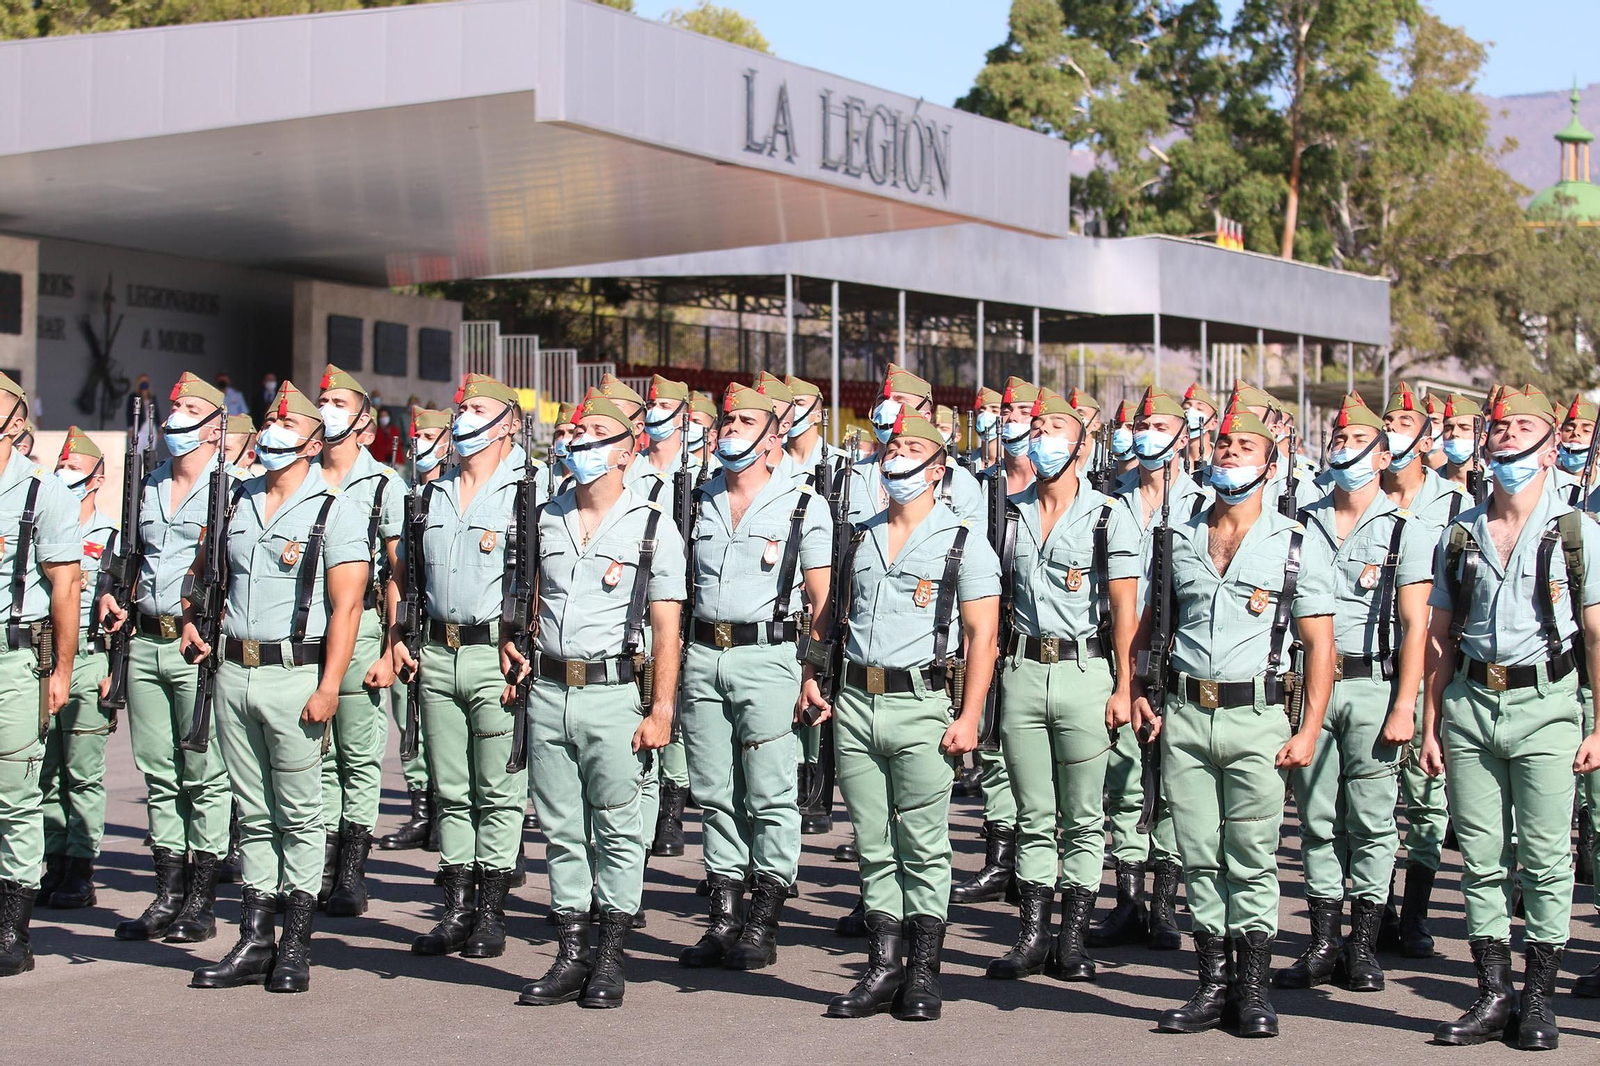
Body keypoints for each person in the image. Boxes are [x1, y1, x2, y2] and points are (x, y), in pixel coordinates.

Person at [1132, 401, 1336, 1038]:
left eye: (1245, 447)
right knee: (1198, 856)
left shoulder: (1296, 544)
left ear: (1270, 465)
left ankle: (1252, 990)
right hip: (1188, 715)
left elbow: (1320, 645)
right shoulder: (1182, 537)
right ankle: (1211, 983)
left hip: (1257, 716)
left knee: (1250, 857)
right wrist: (1140, 685)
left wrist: (1307, 731)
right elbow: (1151, 622)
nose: (1229, 454)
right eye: (1222, 445)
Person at [799, 408, 1000, 1022]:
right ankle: (882, 965)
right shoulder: (856, 533)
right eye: (893, 447)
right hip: (857, 702)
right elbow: (830, 615)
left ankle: (923, 971)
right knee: (873, 842)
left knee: (922, 842)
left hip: (921, 704)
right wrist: (812, 675)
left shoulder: (965, 539)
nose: (896, 457)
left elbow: (981, 637)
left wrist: (970, 717)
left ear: (938, 468)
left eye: (913, 448)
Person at [1420, 384, 1600, 1050]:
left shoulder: (1578, 532)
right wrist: (1432, 719)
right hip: (1470, 704)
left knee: (1549, 859)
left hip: (1548, 704)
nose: (1506, 437)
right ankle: (1493, 994)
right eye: (1498, 428)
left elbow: (1596, 632)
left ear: (1552, 447)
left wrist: (1598, 723)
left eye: (1523, 426)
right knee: (1482, 861)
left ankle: (1539, 1000)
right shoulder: (1462, 531)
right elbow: (1440, 633)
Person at [183, 381, 367, 993]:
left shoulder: (332, 509)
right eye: (267, 423)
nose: (271, 434)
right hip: (234, 671)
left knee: (299, 813)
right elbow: (205, 573)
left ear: (314, 444)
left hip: (296, 676)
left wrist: (331, 685)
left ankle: (295, 944)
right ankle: (254, 937)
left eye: (287, 427)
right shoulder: (234, 500)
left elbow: (346, 608)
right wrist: (191, 615)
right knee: (254, 812)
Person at [511, 387, 684, 1009]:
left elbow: (668, 627)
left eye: (592, 439)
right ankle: (569, 951)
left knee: (615, 827)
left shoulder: (652, 527)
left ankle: (609, 957)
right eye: (572, 437)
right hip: (550, 688)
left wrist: (662, 708)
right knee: (560, 829)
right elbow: (533, 597)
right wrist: (517, 646)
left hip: (614, 695)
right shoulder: (546, 516)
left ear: (625, 451)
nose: (577, 446)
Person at [1273, 394, 1433, 995]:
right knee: (1316, 818)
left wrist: (1403, 705)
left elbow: (1417, 624)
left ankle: (1362, 944)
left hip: (1370, 684)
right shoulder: (1301, 519)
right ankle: (1321, 941)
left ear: (1383, 454)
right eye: (1336, 442)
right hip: (1309, 684)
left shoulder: (1403, 529)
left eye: (1354, 443)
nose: (1341, 452)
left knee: (1370, 820)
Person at [982, 386, 1139, 984]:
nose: (1043, 438)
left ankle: (1072, 937)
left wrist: (1125, 686)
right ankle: (1031, 934)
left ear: (1083, 444)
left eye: (1056, 429)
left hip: (1084, 670)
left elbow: (1125, 610)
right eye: (1037, 426)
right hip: (1022, 670)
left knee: (1081, 812)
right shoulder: (1009, 510)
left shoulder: (1108, 514)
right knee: (1032, 809)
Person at [676, 383, 831, 971]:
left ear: (772, 440)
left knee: (769, 790)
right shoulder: (698, 497)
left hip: (771, 657)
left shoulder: (803, 504)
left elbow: (820, 598)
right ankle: (723, 916)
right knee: (714, 790)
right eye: (728, 420)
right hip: (703, 654)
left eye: (746, 422)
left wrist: (813, 671)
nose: (731, 430)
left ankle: (763, 918)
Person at [389, 373, 544, 961]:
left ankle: (491, 911)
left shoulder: (530, 489)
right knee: (452, 789)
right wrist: (402, 636)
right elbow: (409, 578)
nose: (462, 417)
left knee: (498, 791)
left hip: (494, 654)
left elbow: (543, 576)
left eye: (477, 408)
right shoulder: (432, 493)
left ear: (508, 422)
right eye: (461, 408)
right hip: (438, 651)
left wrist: (528, 641)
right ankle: (455, 907)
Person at [100, 373, 235, 946]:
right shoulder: (149, 484)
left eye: (188, 408)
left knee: (201, 774)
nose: (176, 416)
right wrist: (110, 586)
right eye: (173, 407)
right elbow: (122, 552)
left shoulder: (233, 489)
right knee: (158, 773)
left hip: (194, 644)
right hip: (146, 640)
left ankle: (201, 901)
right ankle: (168, 892)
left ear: (214, 425)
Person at [1096, 388, 1204, 952]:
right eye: (1142, 425)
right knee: (1123, 778)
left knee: (1168, 776)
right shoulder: (1111, 500)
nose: (1148, 435)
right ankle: (1128, 899)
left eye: (1161, 426)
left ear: (1184, 435)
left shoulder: (1203, 503)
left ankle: (1164, 903)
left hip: (1171, 655)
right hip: (1120, 654)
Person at [311, 365, 407, 917]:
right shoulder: (300, 475)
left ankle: (350, 871)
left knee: (357, 753)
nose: (328, 409)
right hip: (308, 631)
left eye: (339, 402)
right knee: (315, 750)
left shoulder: (382, 485)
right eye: (322, 399)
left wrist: (390, 644)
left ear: (365, 425)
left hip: (364, 624)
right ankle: (319, 859)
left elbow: (397, 573)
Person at [1377, 381, 1470, 952]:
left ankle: (1415, 913)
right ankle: (1377, 908)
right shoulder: (1363, 494)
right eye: (1389, 424)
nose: (1394, 434)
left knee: (1425, 794)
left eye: (1405, 425)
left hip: (1432, 660)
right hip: (1370, 659)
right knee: (1368, 798)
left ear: (1426, 436)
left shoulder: (1456, 507)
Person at [0, 380, 84, 977]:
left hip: (12, 657)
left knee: (14, 798)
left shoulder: (41, 490)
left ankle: (12, 928)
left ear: (13, 422)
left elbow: (66, 585)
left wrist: (62, 669)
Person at [951, 376, 1034, 908]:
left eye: (1022, 412)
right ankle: (1000, 857)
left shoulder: (1067, 491)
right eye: (1006, 412)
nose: (1008, 420)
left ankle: (1036, 862)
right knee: (996, 747)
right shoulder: (981, 486)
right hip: (989, 629)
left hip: (1036, 638)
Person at [36, 428, 117, 913]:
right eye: (60, 468)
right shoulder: (43, 527)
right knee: (44, 771)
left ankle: (81, 868)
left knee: (82, 772)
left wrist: (113, 669)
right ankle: (54, 860)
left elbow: (118, 608)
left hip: (89, 659)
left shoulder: (109, 537)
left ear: (97, 478)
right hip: (44, 659)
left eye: (74, 469)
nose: (65, 477)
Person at [623, 374, 695, 860]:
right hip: (635, 611)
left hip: (685, 607)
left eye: (666, 404)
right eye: (652, 404)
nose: (656, 410)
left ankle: (672, 805)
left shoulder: (706, 474)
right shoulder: (631, 473)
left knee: (680, 713)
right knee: (640, 712)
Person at [377, 406, 451, 853]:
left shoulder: (449, 496)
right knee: (408, 720)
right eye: (415, 434)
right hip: (412, 624)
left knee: (443, 727)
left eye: (429, 434)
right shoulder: (406, 494)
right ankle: (420, 812)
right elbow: (396, 573)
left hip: (444, 630)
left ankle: (444, 809)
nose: (419, 441)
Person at [848, 364, 985, 526]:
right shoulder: (850, 477)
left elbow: (972, 544)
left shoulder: (957, 481)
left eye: (900, 401)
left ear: (925, 417)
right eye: (882, 400)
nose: (886, 408)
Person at [1181, 383, 1220, 479]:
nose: (1191, 412)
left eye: (1200, 409)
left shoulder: (1220, 462)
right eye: (1186, 408)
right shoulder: (1171, 461)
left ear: (1213, 424)